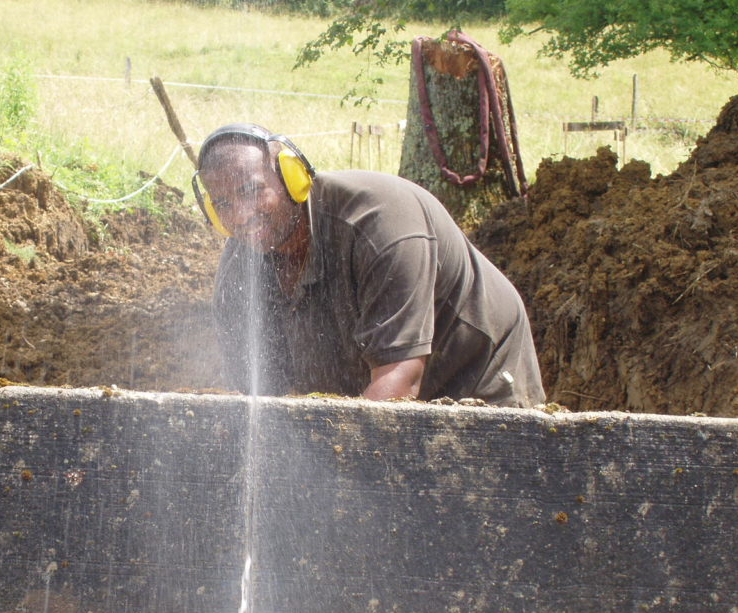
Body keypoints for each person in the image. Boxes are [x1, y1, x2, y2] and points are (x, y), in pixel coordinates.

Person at [192, 122, 545, 407]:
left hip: (473, 375)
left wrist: (330, 466)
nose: (240, 214)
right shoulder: (241, 267)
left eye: (251, 191)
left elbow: (399, 382)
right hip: (368, 388)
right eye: (222, 202)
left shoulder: (380, 223)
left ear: (291, 177)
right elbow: (257, 398)